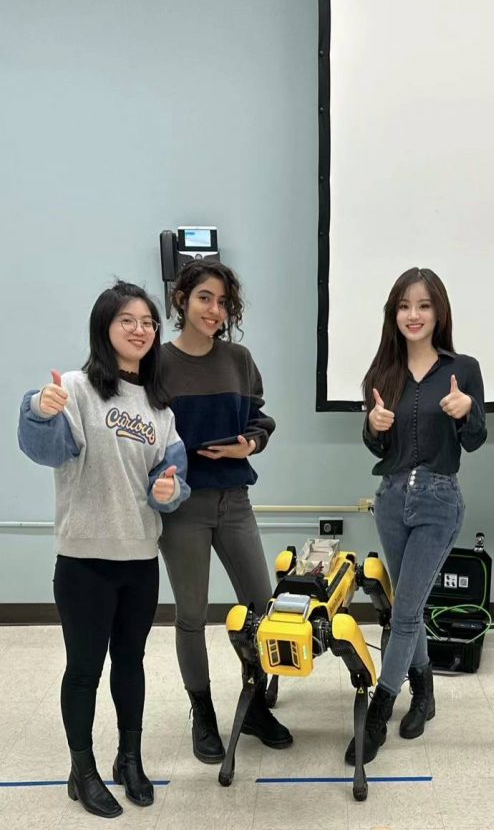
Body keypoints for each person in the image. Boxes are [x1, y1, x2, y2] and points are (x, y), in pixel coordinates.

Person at [18, 281, 190, 819]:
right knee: (85, 668)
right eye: (128, 321)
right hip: (84, 562)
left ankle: (128, 759)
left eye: (148, 322)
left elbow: (174, 478)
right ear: (105, 328)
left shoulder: (161, 408)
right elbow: (44, 449)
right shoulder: (75, 388)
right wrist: (39, 409)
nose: (140, 330)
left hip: (139, 561)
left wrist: (169, 489)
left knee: (131, 664)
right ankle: (82, 769)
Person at [344, 266, 487, 766]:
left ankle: (380, 713)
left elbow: (475, 440)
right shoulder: (381, 375)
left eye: (423, 305)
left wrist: (466, 410)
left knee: (403, 613)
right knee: (410, 608)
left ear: (438, 312)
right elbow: (376, 446)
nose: (414, 314)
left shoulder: (462, 368)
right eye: (404, 306)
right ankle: (424, 693)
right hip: (390, 500)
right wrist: (373, 424)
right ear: (394, 313)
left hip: (438, 499)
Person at [158, 259, 292, 764]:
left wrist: (249, 446)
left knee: (262, 608)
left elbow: (260, 418)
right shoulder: (159, 364)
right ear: (181, 301)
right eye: (204, 299)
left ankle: (255, 704)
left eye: (222, 302)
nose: (214, 310)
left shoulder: (238, 358)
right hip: (183, 506)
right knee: (191, 615)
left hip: (235, 499)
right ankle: (204, 714)